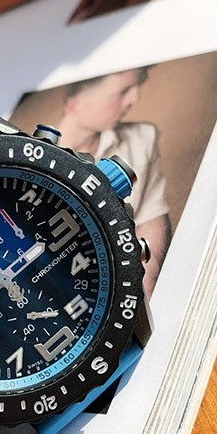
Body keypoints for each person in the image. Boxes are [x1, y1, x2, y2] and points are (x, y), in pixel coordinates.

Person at [56, 68, 171, 296]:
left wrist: (144, 291)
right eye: (123, 91)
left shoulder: (141, 138)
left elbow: (151, 217)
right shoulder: (30, 167)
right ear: (75, 105)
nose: (134, 98)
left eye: (137, 86)